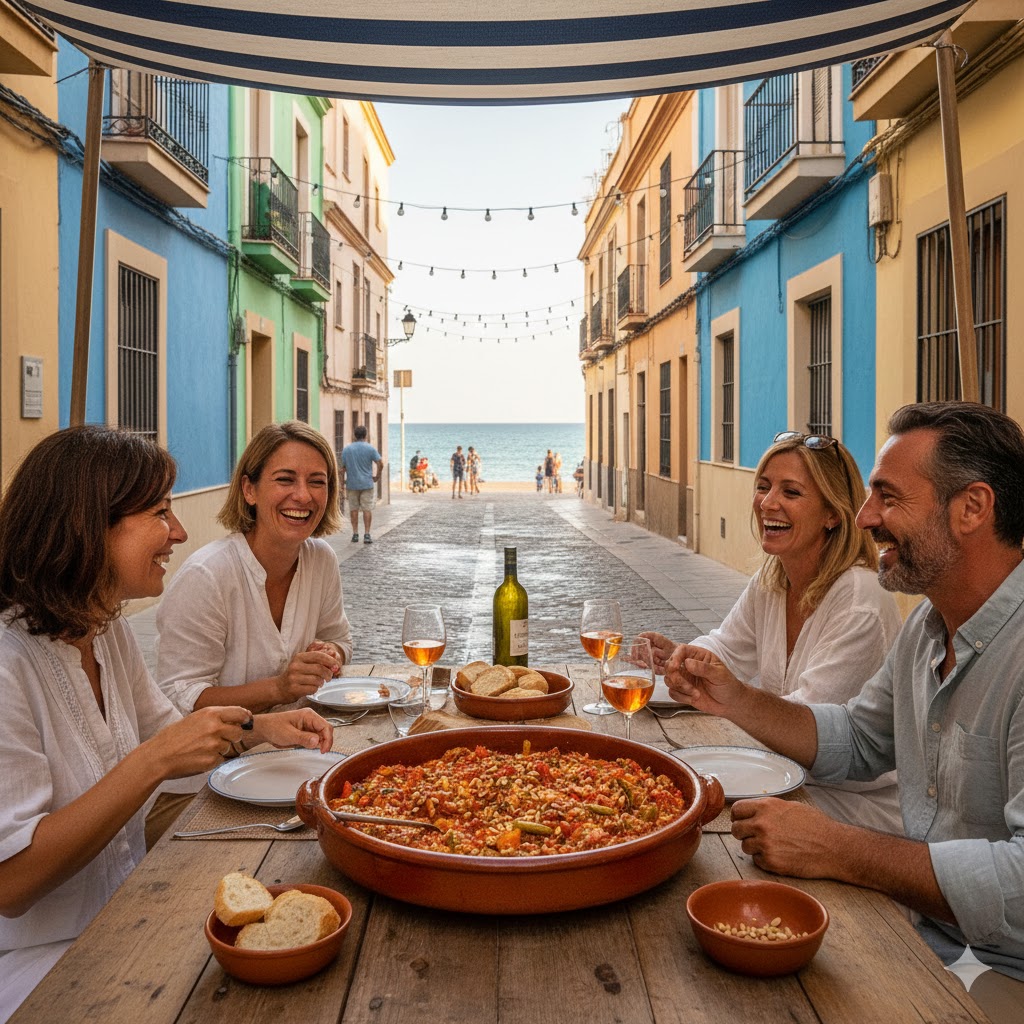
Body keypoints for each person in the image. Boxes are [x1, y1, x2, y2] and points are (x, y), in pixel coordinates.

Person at [666, 402, 1024, 1021]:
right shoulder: (927, 630)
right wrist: (734, 697)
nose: (866, 517)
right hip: (929, 933)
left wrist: (841, 850)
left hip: (996, 969)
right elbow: (857, 739)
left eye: (888, 497)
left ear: (972, 508)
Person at [0, 426, 332, 1022]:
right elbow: (12, 883)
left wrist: (261, 729)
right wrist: (154, 761)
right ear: (88, 524)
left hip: (121, 912)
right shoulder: (6, 664)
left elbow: (170, 727)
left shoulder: (104, 629)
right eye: (159, 512)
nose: (179, 532)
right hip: (30, 963)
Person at [644, 431, 903, 832]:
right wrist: (684, 656)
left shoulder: (860, 599)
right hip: (783, 778)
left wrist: (733, 697)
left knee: (697, 816)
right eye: (763, 487)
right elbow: (725, 647)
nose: (768, 502)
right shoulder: (774, 578)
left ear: (833, 514)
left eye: (791, 492)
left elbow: (807, 726)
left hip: (852, 806)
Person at [156, 420, 352, 721]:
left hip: (302, 745)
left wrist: (330, 654)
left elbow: (339, 639)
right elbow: (180, 697)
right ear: (249, 490)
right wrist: (280, 689)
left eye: (317, 481)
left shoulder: (321, 560)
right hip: (221, 761)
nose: (303, 496)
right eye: (285, 479)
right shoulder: (207, 575)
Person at [339, 424, 382, 543]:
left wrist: (342, 484)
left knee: (353, 510)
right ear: (365, 435)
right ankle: (367, 534)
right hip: (367, 484)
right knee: (367, 509)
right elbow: (380, 463)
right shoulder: (370, 448)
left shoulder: (347, 450)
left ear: (354, 435)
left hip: (352, 484)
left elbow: (342, 469)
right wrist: (377, 476)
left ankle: (355, 534)